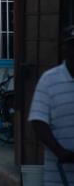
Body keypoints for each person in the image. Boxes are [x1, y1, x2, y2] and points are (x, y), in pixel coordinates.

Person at [29, 25, 74, 185]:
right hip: (58, 176)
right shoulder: (49, 80)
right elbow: (38, 122)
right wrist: (59, 151)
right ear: (64, 49)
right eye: (72, 45)